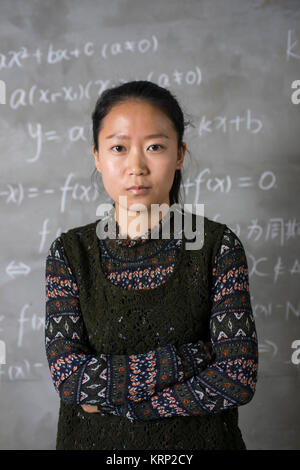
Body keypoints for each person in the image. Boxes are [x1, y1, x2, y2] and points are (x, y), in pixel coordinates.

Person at [44, 80, 259, 450]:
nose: (136, 166)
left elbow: (237, 377)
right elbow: (71, 379)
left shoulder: (217, 246)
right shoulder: (70, 253)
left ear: (179, 154)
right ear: (97, 156)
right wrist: (196, 355)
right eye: (118, 148)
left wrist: (128, 406)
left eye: (155, 147)